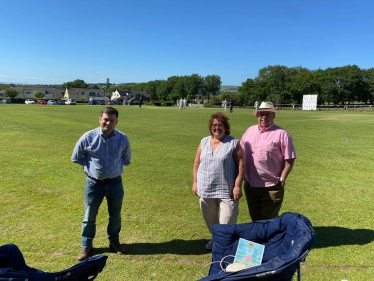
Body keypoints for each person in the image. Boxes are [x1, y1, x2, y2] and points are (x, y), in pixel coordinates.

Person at [71, 107, 132, 261]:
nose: (108, 123)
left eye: (112, 120)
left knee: (115, 215)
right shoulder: (88, 137)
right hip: (93, 184)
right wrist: (91, 170)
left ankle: (114, 241)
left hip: (115, 183)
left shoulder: (123, 139)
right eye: (105, 119)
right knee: (89, 216)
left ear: (116, 122)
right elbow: (76, 157)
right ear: (100, 119)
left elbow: (126, 159)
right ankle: (86, 245)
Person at [192, 112, 244, 250]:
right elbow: (197, 163)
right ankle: (215, 239)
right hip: (206, 188)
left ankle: (224, 244)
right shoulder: (204, 142)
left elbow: (241, 165)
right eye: (214, 125)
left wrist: (237, 186)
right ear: (210, 127)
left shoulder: (233, 142)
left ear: (225, 127)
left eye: (220, 125)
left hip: (227, 190)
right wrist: (195, 182)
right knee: (211, 220)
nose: (217, 128)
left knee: (227, 221)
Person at [240, 101, 296, 222]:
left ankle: (270, 241)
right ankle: (258, 240)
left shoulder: (281, 134)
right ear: (257, 116)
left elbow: (290, 158)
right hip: (250, 184)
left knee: (269, 220)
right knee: (255, 218)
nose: (264, 117)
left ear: (273, 115)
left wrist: (282, 177)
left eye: (268, 114)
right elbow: (240, 153)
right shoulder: (249, 131)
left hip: (272, 186)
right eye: (261, 114)